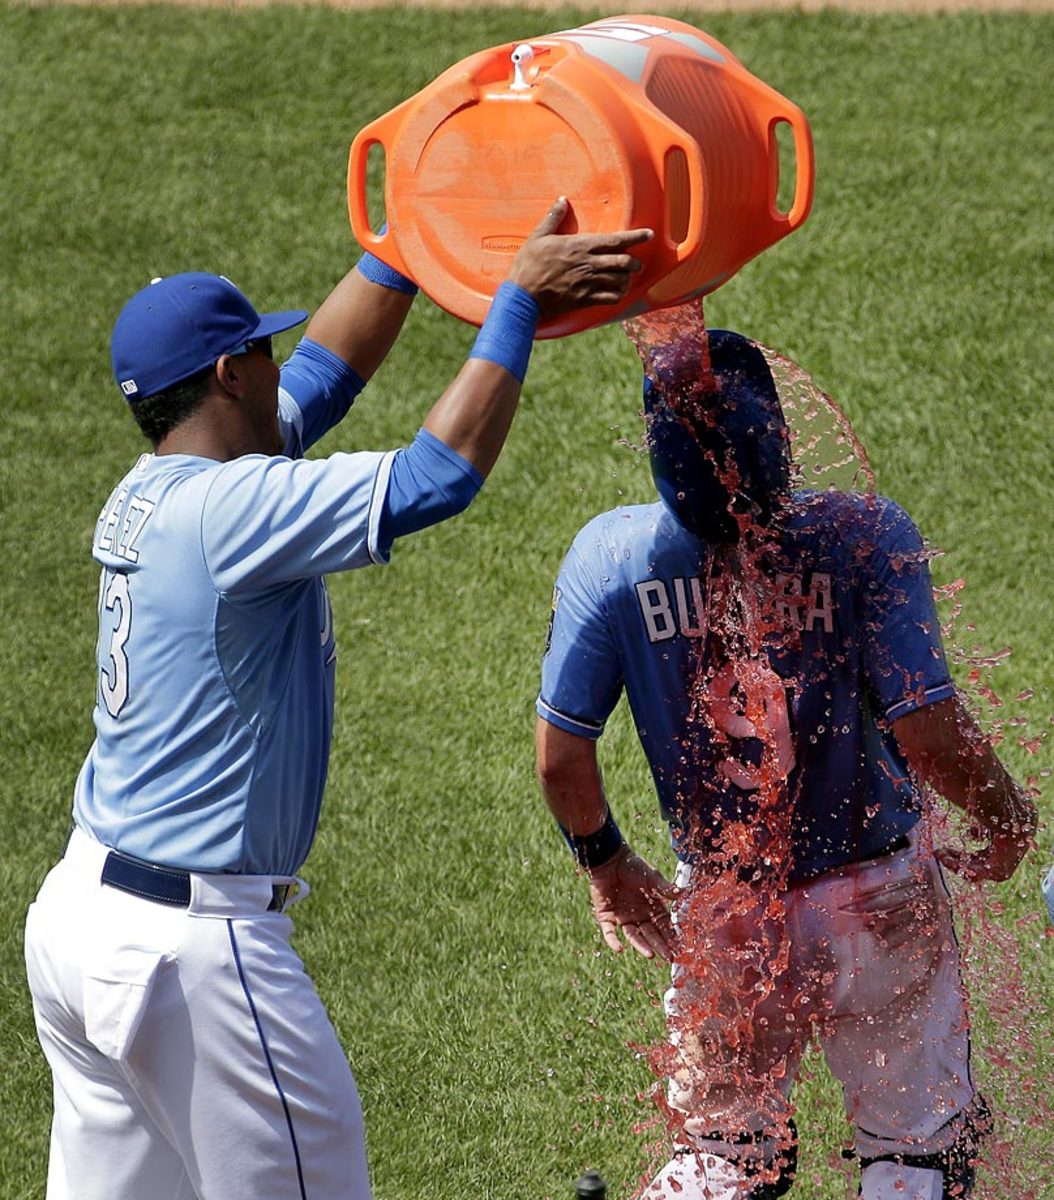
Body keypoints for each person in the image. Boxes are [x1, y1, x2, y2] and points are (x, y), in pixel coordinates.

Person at [23, 198, 652, 1200]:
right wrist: (516, 301)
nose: (283, 363)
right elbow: (436, 476)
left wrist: (406, 238)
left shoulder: (157, 488)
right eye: (261, 352)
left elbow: (325, 372)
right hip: (193, 956)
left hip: (82, 923)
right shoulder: (235, 511)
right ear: (229, 374)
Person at [535, 309, 1037, 1200]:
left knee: (722, 1157)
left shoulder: (608, 559)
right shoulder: (865, 537)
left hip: (727, 911)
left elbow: (560, 758)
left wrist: (606, 866)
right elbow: (928, 733)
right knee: (918, 1154)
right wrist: (1006, 817)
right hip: (876, 903)